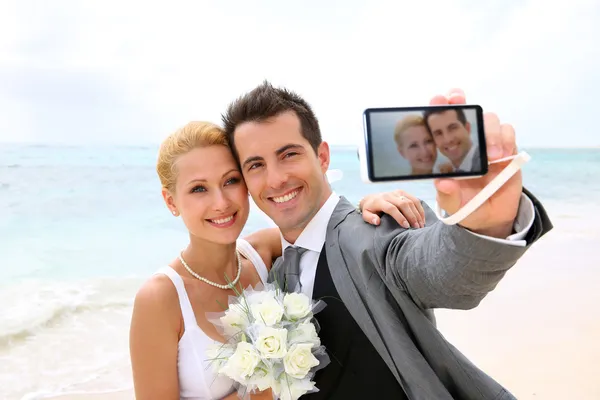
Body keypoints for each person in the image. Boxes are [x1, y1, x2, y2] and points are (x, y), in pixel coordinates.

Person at [222, 81, 553, 399]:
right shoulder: (270, 271)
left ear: (322, 156)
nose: (276, 179)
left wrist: (482, 224)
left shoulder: (379, 228)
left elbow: (446, 273)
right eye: (256, 165)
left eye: (289, 154)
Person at [128, 121, 427, 399]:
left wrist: (367, 206)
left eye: (231, 180)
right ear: (171, 201)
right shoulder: (161, 298)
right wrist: (266, 388)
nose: (221, 203)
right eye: (199, 189)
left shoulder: (266, 252)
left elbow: (326, 220)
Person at [423, 106, 481, 173]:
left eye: (453, 128)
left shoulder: (483, 163)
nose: (448, 140)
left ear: (467, 128)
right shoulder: (445, 171)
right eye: (438, 133)